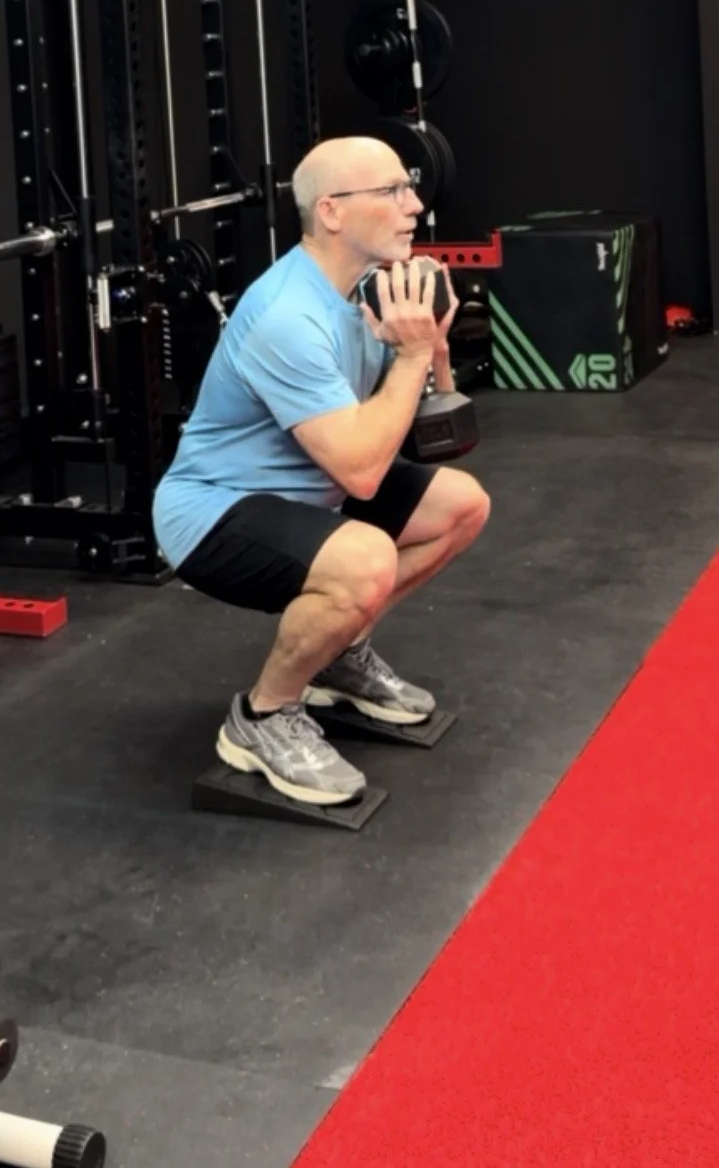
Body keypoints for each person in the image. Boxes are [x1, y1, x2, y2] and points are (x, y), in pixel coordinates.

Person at [153, 134, 491, 807]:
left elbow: (439, 438)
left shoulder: (373, 291)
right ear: (331, 211)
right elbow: (365, 473)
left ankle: (338, 653)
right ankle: (263, 716)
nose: (415, 204)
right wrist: (411, 355)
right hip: (215, 511)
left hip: (314, 488)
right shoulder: (288, 314)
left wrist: (432, 344)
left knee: (462, 504)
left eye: (410, 187)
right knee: (364, 559)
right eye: (392, 190)